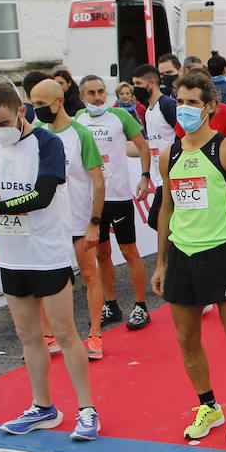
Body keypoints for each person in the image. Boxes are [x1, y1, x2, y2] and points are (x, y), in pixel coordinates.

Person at [0, 85, 98, 440]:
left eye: (3, 122)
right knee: (28, 336)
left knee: (66, 335)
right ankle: (43, 407)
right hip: (12, 255)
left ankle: (87, 410)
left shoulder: (47, 143)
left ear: (20, 111)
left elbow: (42, 195)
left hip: (47, 252)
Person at [151, 71, 226, 442]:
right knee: (186, 338)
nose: (183, 109)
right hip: (182, 255)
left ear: (210, 107)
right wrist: (162, 262)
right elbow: (167, 209)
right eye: (179, 102)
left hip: (222, 254)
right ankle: (209, 406)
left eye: (192, 103)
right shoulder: (169, 155)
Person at [29, 79, 107, 359]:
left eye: (41, 104)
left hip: (78, 221)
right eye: (33, 104)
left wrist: (94, 222)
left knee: (89, 275)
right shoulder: (35, 133)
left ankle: (95, 335)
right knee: (46, 281)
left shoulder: (80, 135)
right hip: (49, 222)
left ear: (59, 101)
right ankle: (49, 336)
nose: (36, 110)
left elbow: (98, 181)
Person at [78, 74, 153, 331]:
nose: (98, 97)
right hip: (92, 200)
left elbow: (143, 147)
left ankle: (141, 305)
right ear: (82, 97)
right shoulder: (78, 120)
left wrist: (145, 177)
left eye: (101, 92)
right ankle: (111, 304)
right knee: (101, 253)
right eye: (92, 93)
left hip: (118, 196)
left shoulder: (120, 116)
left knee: (129, 251)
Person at [132, 64, 176, 233]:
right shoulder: (148, 111)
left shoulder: (167, 105)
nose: (135, 88)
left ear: (151, 83)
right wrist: (146, 176)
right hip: (159, 178)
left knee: (157, 220)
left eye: (138, 84)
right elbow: (150, 146)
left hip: (171, 176)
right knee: (161, 222)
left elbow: (182, 136)